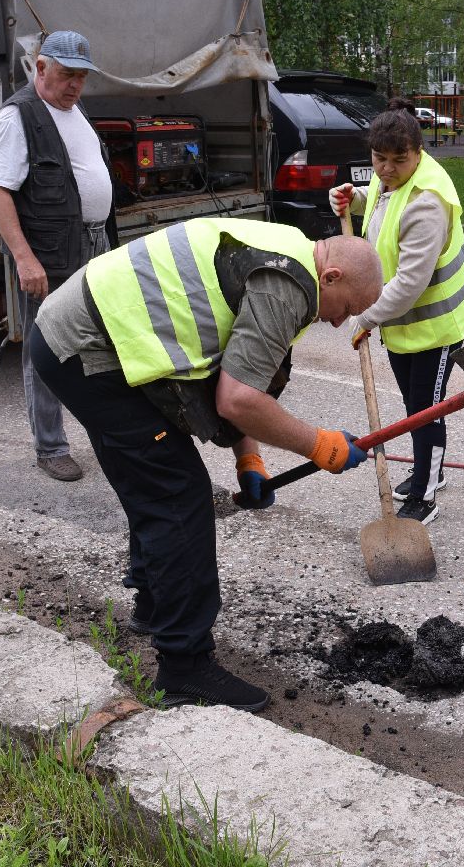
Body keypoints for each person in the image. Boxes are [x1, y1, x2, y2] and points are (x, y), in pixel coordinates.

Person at [28, 217, 383, 712]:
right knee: (178, 496)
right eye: (349, 309)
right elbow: (238, 399)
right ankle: (185, 667)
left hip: (75, 334)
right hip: (87, 348)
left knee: (151, 477)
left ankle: (153, 605)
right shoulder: (286, 285)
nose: (340, 322)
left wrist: (250, 460)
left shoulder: (285, 250)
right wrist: (319, 446)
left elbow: (234, 375)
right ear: (333, 277)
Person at [328, 97, 464, 525]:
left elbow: (410, 285)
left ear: (419, 152)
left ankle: (425, 495)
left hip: (436, 327)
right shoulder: (392, 179)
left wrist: (364, 316)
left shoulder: (427, 203)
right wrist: (352, 197)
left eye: (399, 160)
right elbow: (381, 199)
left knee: (424, 411)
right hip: (404, 326)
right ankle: (429, 471)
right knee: (416, 406)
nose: (387, 169)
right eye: (379, 160)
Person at [0, 30, 116, 483]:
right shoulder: (18, 117)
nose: (75, 85)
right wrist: (25, 259)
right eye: (66, 75)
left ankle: (105, 431)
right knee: (47, 352)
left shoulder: (74, 112)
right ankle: (50, 447)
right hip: (51, 255)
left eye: (81, 77)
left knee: (101, 343)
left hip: (95, 247)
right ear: (40, 68)